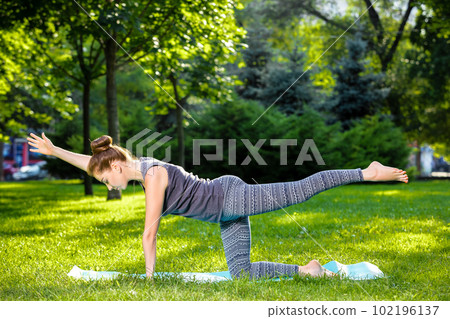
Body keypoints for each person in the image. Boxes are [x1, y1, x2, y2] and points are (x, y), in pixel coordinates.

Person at [27, 132, 409, 280]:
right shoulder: (134, 169)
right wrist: (56, 150)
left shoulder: (154, 176)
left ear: (115, 165)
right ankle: (307, 270)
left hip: (229, 197)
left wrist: (148, 278)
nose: (107, 185)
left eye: (104, 178)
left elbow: (149, 232)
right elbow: (92, 162)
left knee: (299, 191)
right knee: (241, 272)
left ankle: (366, 171)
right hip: (223, 211)